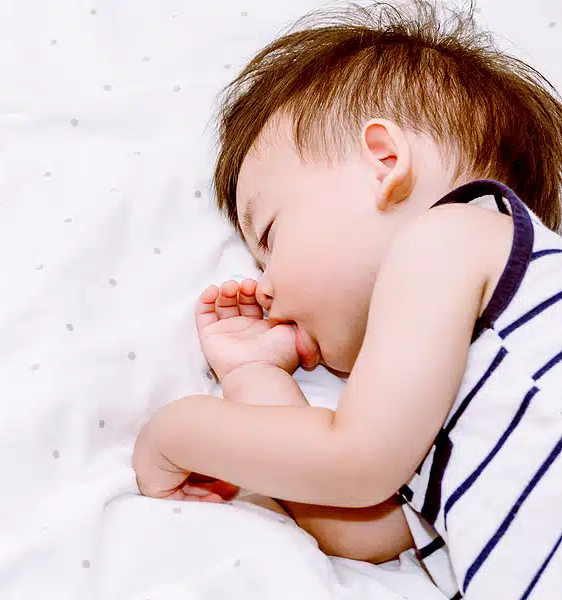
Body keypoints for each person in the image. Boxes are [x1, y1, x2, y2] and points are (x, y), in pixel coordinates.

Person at [131, 2, 562, 598]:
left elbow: (356, 465)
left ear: (385, 163)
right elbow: (357, 528)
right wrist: (257, 374)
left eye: (272, 237)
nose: (267, 288)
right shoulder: (441, 423)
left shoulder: (455, 235)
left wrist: (177, 431)